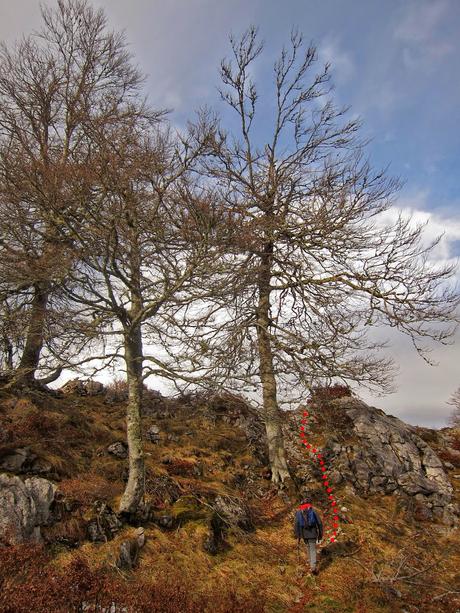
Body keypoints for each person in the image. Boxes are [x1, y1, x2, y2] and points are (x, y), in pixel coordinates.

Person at [294, 497, 323, 575]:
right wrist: (320, 534)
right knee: (313, 550)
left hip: (304, 534)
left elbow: (296, 524)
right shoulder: (313, 511)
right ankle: (313, 567)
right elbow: (319, 523)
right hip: (313, 533)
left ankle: (310, 563)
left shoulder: (299, 512)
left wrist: (298, 536)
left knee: (308, 548)